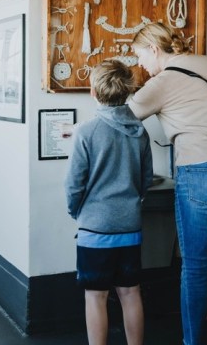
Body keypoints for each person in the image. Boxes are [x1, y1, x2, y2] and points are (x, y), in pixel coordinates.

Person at [128, 22, 207, 345]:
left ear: (155, 49)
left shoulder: (162, 82)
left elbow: (121, 120)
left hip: (202, 175)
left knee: (196, 268)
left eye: (140, 56)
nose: (140, 64)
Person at [64, 60, 153, 345]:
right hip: (130, 225)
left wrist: (77, 211)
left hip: (95, 229)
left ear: (93, 91)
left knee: (95, 296)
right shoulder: (140, 132)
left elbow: (74, 184)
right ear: (128, 91)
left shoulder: (86, 132)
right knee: (131, 292)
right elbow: (146, 179)